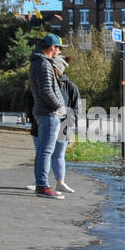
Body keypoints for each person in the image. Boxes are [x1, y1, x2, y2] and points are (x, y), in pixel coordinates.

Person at [27, 34, 69, 199]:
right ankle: (43, 186)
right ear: (52, 47)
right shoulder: (43, 64)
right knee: (46, 151)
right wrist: (59, 106)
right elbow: (45, 90)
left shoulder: (39, 63)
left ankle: (42, 185)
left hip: (44, 112)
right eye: (59, 48)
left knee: (44, 150)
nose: (59, 51)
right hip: (49, 113)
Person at [49, 54, 83, 193]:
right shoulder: (46, 83)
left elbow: (77, 109)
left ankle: (60, 182)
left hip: (63, 125)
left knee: (57, 154)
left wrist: (70, 125)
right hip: (49, 123)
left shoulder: (70, 87)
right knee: (46, 153)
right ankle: (41, 181)